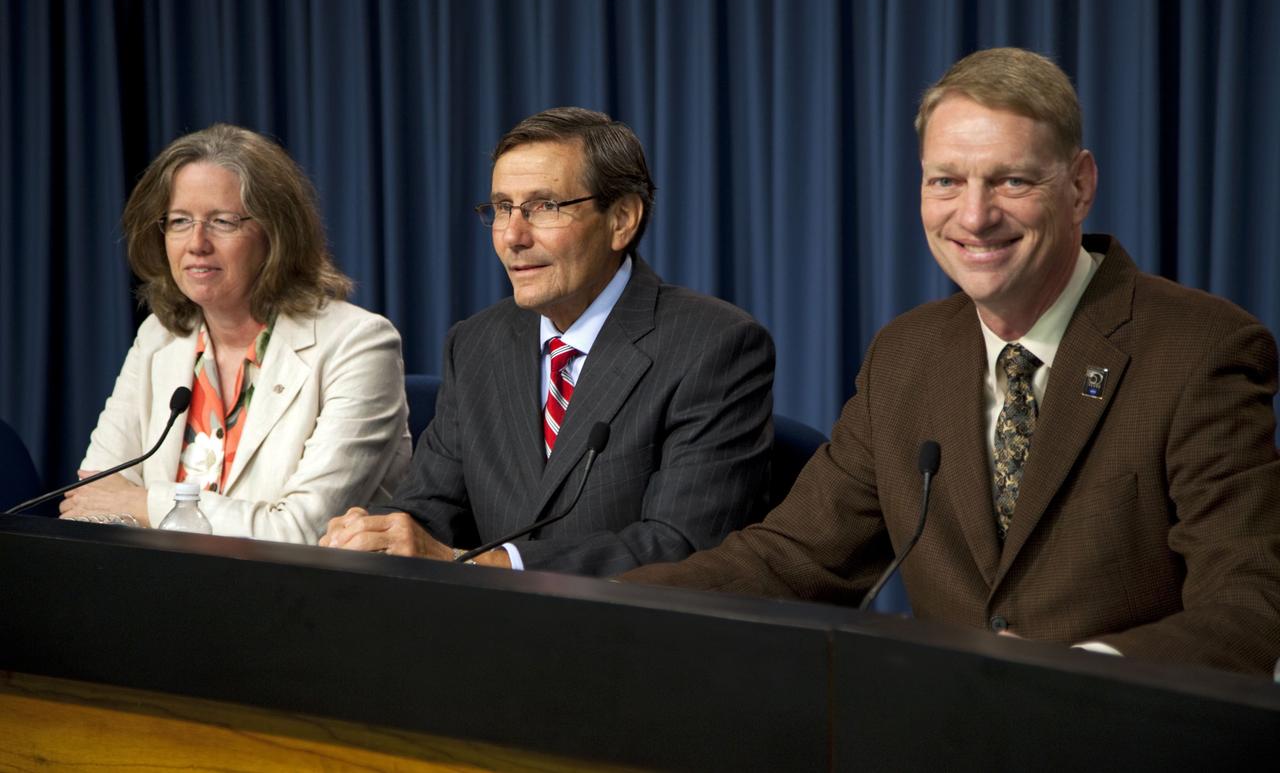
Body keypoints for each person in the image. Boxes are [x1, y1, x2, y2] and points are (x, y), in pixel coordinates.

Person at [623, 48, 1280, 676]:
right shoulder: (905, 356)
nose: (973, 215)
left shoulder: (1200, 349)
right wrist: (608, 601)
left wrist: (1082, 674)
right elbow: (795, 559)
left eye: (1011, 180)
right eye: (946, 181)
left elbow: (1251, 601)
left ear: (1079, 187)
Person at [322, 107, 774, 575]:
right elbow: (429, 510)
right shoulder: (475, 343)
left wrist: (495, 564)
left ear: (621, 219)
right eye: (501, 208)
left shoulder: (714, 345)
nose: (513, 236)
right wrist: (375, 534)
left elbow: (681, 544)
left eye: (544, 207)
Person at [64, 123, 411, 543]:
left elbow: (300, 532)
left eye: (223, 221)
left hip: (300, 600)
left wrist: (143, 503)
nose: (196, 243)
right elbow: (87, 503)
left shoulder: (357, 344)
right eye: (178, 221)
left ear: (276, 232)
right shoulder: (160, 338)